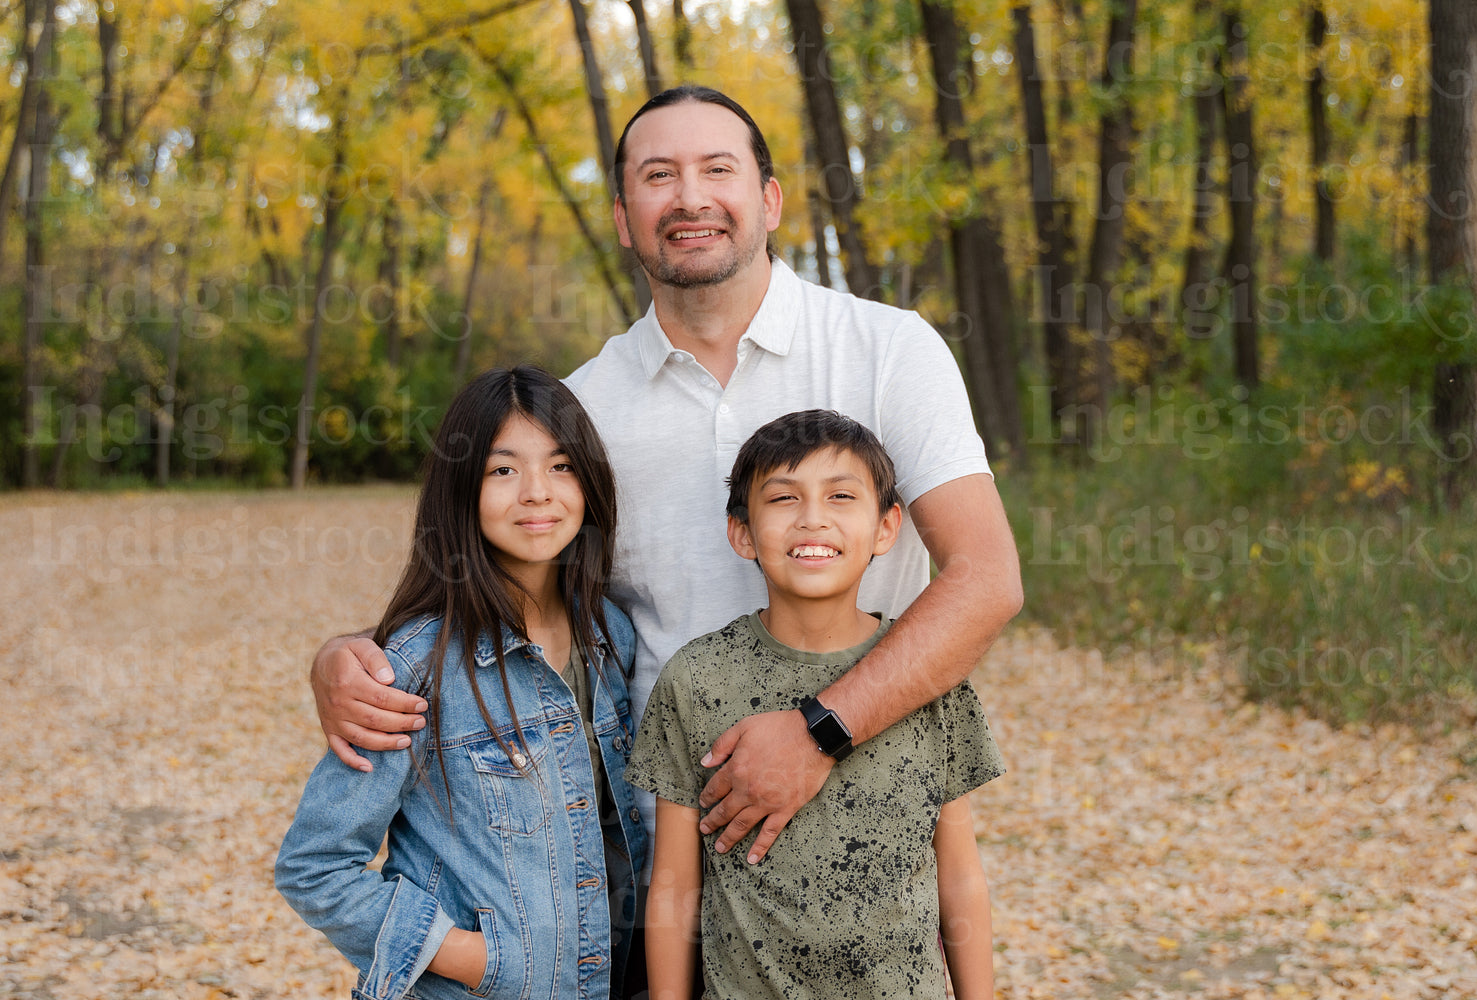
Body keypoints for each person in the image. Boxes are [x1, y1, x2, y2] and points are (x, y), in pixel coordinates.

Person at [311, 84, 1020, 870]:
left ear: (770, 199)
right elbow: (496, 596)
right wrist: (351, 658)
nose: (690, 199)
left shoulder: (890, 350)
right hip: (665, 863)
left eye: (718, 170)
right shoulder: (581, 411)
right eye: (658, 176)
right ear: (622, 218)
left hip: (871, 848)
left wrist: (819, 731)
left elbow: (986, 579)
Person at [276, 366, 647, 1000]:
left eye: (561, 466)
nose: (536, 493)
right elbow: (316, 867)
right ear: (461, 490)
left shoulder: (610, 633)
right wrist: (479, 959)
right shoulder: (417, 667)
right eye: (502, 471)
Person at [627, 409, 1004, 1000]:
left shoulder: (925, 676)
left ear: (886, 528)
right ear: (742, 532)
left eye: (841, 496)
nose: (812, 520)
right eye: (782, 499)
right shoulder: (696, 680)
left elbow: (959, 874)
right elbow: (675, 885)